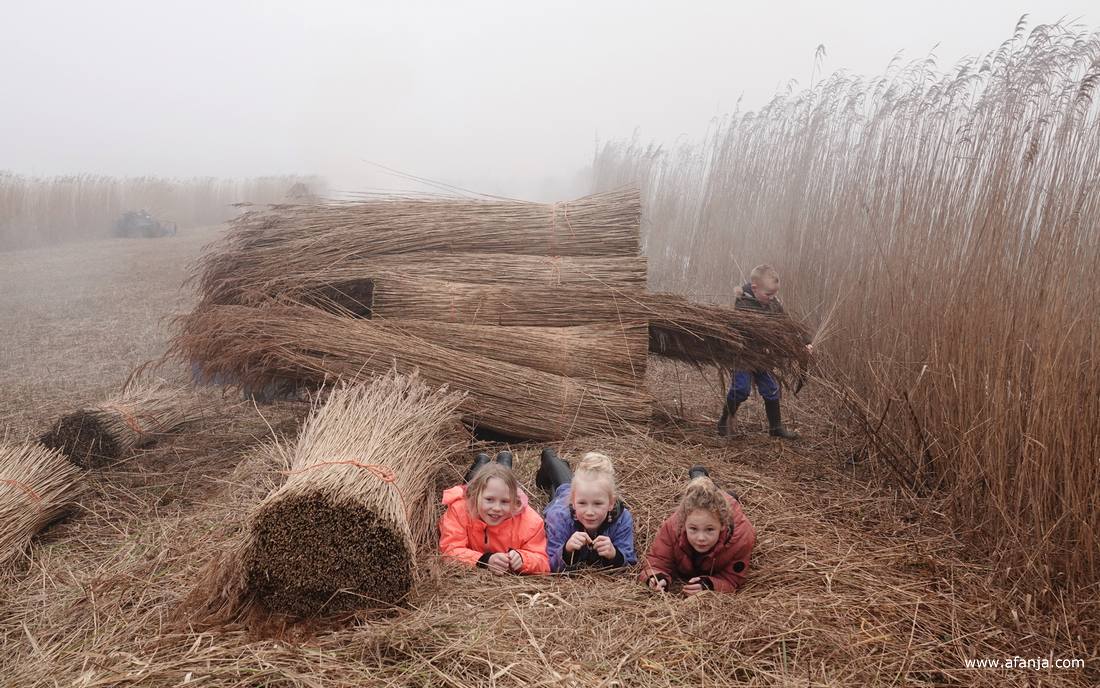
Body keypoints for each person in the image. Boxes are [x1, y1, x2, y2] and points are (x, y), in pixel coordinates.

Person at [718, 263, 810, 439]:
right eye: (769, 294)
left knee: (771, 389)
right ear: (754, 288)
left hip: (762, 357)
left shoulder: (773, 303)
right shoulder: (744, 304)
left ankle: (775, 428)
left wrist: (805, 342)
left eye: (774, 294)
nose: (772, 297)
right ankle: (724, 421)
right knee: (741, 389)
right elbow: (755, 332)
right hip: (742, 356)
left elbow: (789, 324)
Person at [640, 467, 756, 595]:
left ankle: (720, 489)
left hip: (727, 506)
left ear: (723, 525)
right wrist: (656, 578)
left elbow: (732, 578)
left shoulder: (741, 538)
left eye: (710, 529)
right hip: (700, 504)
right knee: (698, 489)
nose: (701, 538)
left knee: (727, 498)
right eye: (693, 529)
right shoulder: (672, 526)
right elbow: (656, 562)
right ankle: (700, 477)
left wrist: (709, 585)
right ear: (684, 523)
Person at [438, 460, 550, 575]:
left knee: (501, 480)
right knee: (478, 477)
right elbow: (450, 550)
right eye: (489, 499)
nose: (497, 508)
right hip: (473, 490)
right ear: (475, 496)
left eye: (505, 501)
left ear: (514, 501)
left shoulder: (531, 523)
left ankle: (505, 458)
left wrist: (524, 559)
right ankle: (481, 460)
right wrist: (484, 560)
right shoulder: (459, 511)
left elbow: (543, 560)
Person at [536, 448, 636, 572]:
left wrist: (615, 555)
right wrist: (566, 551)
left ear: (611, 503)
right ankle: (549, 456)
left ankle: (558, 465)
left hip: (577, 492)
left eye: (598, 503)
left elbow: (629, 560)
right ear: (572, 501)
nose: (589, 512)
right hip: (562, 501)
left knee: (566, 486)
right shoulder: (560, 518)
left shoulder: (622, 519)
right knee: (563, 489)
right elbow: (548, 562)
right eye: (582, 503)